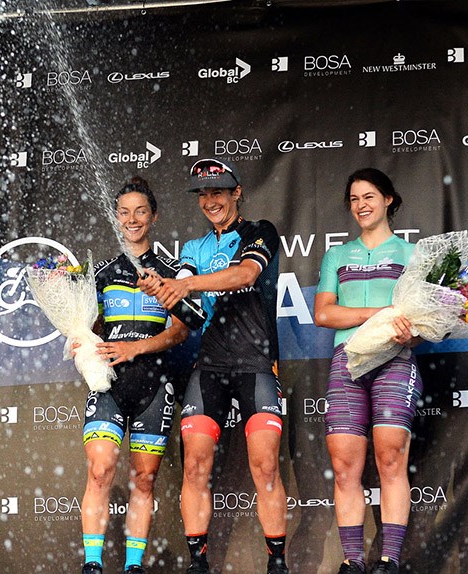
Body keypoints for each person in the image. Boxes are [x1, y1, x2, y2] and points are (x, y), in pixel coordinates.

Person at [138, 159, 289, 574]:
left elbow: (244, 275)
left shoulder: (260, 232)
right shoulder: (193, 250)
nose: (210, 201)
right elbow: (188, 314)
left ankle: (277, 563)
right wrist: (164, 293)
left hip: (256, 364)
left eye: (218, 191)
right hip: (209, 368)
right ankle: (197, 563)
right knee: (194, 465)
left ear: (237, 193)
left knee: (265, 468)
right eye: (203, 194)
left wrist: (183, 284)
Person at [313, 168, 423, 574]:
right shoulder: (337, 255)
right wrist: (383, 314)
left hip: (394, 360)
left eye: (369, 197)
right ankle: (352, 561)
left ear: (388, 200)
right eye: (355, 199)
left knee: (390, 459)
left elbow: (426, 321)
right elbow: (324, 313)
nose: (361, 205)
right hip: (347, 361)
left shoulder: (413, 255)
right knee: (345, 466)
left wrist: (412, 330)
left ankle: (390, 560)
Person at [79, 177, 189, 574]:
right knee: (100, 468)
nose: (132, 219)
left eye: (140, 211)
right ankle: (92, 564)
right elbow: (86, 327)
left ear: (154, 216)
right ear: (116, 218)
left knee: (144, 479)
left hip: (154, 386)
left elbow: (181, 330)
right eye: (124, 212)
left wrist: (136, 348)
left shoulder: (171, 273)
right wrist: (79, 341)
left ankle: (133, 566)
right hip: (110, 385)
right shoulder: (103, 273)